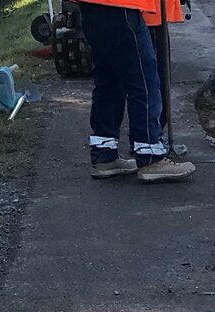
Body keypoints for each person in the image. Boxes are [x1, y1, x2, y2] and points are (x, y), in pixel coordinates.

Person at [75, 0, 194, 183]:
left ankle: (104, 155)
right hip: (122, 6)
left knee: (109, 80)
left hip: (93, 6)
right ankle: (150, 157)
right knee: (143, 80)